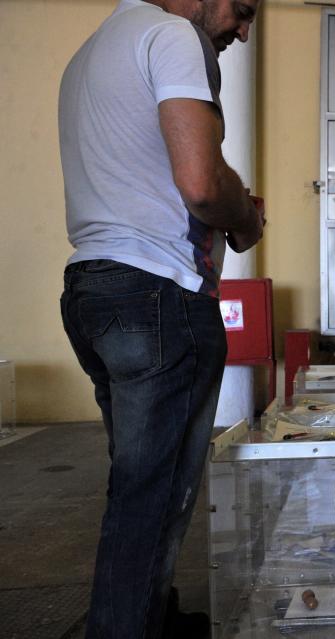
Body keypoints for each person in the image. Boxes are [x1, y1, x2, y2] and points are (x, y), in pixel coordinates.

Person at [58, 1, 262, 637]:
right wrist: (247, 218)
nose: (243, 29)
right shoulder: (172, 35)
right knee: (153, 495)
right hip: (159, 292)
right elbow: (201, 183)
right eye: (242, 9)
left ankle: (151, 614)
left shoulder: (90, 52)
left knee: (140, 481)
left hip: (93, 287)